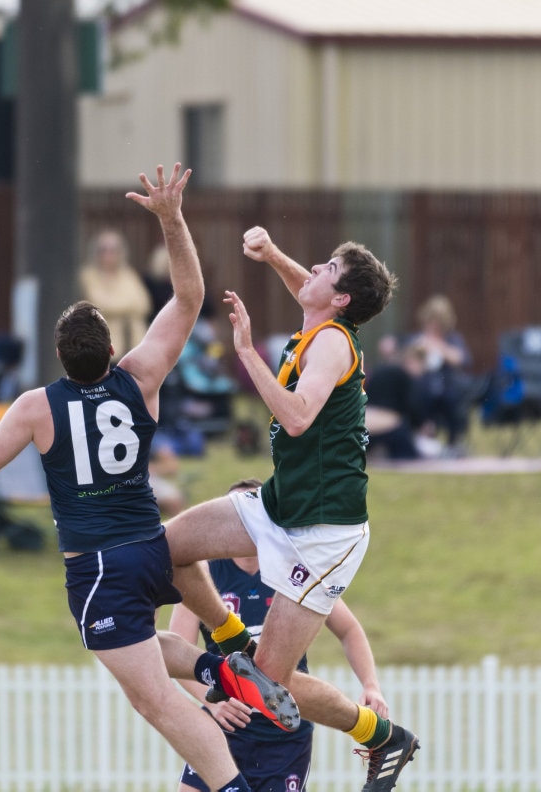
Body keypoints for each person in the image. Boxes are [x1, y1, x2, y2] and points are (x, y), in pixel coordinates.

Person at [0, 164, 293, 792]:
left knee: (157, 702)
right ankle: (222, 663)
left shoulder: (36, 407)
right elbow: (188, 297)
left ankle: (230, 784)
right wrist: (170, 217)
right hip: (152, 549)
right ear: (111, 351)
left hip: (99, 570)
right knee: (145, 646)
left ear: (58, 356)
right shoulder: (140, 377)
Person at [162, 226, 422, 792]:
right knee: (168, 548)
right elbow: (307, 284)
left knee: (266, 681)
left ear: (342, 300)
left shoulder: (331, 342)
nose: (314, 270)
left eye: (327, 268)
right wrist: (274, 253)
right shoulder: (320, 319)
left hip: (325, 532)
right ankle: (230, 635)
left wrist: (246, 354)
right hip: (279, 507)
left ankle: (382, 737)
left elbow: (300, 416)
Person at [170, 480, 390, 792]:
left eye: (244, 517)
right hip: (226, 723)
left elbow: (349, 629)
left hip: (285, 730)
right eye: (229, 515)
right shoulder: (203, 574)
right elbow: (179, 652)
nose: (234, 526)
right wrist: (212, 701)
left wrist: (371, 685)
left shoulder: (292, 571)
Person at [402, 294, 474, 452]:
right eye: (431, 321)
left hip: (447, 389)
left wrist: (439, 346)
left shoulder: (452, 339)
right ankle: (424, 439)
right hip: (422, 390)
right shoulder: (416, 339)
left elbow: (462, 359)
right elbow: (405, 365)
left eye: (438, 322)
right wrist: (418, 350)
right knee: (417, 394)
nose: (434, 325)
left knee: (455, 396)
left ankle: (454, 442)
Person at [79, 227, 152, 356]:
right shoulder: (88, 275)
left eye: (113, 250)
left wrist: (116, 305)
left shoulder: (129, 274)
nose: (108, 254)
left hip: (133, 347)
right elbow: (98, 303)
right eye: (103, 250)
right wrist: (128, 306)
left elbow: (144, 304)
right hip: (102, 349)